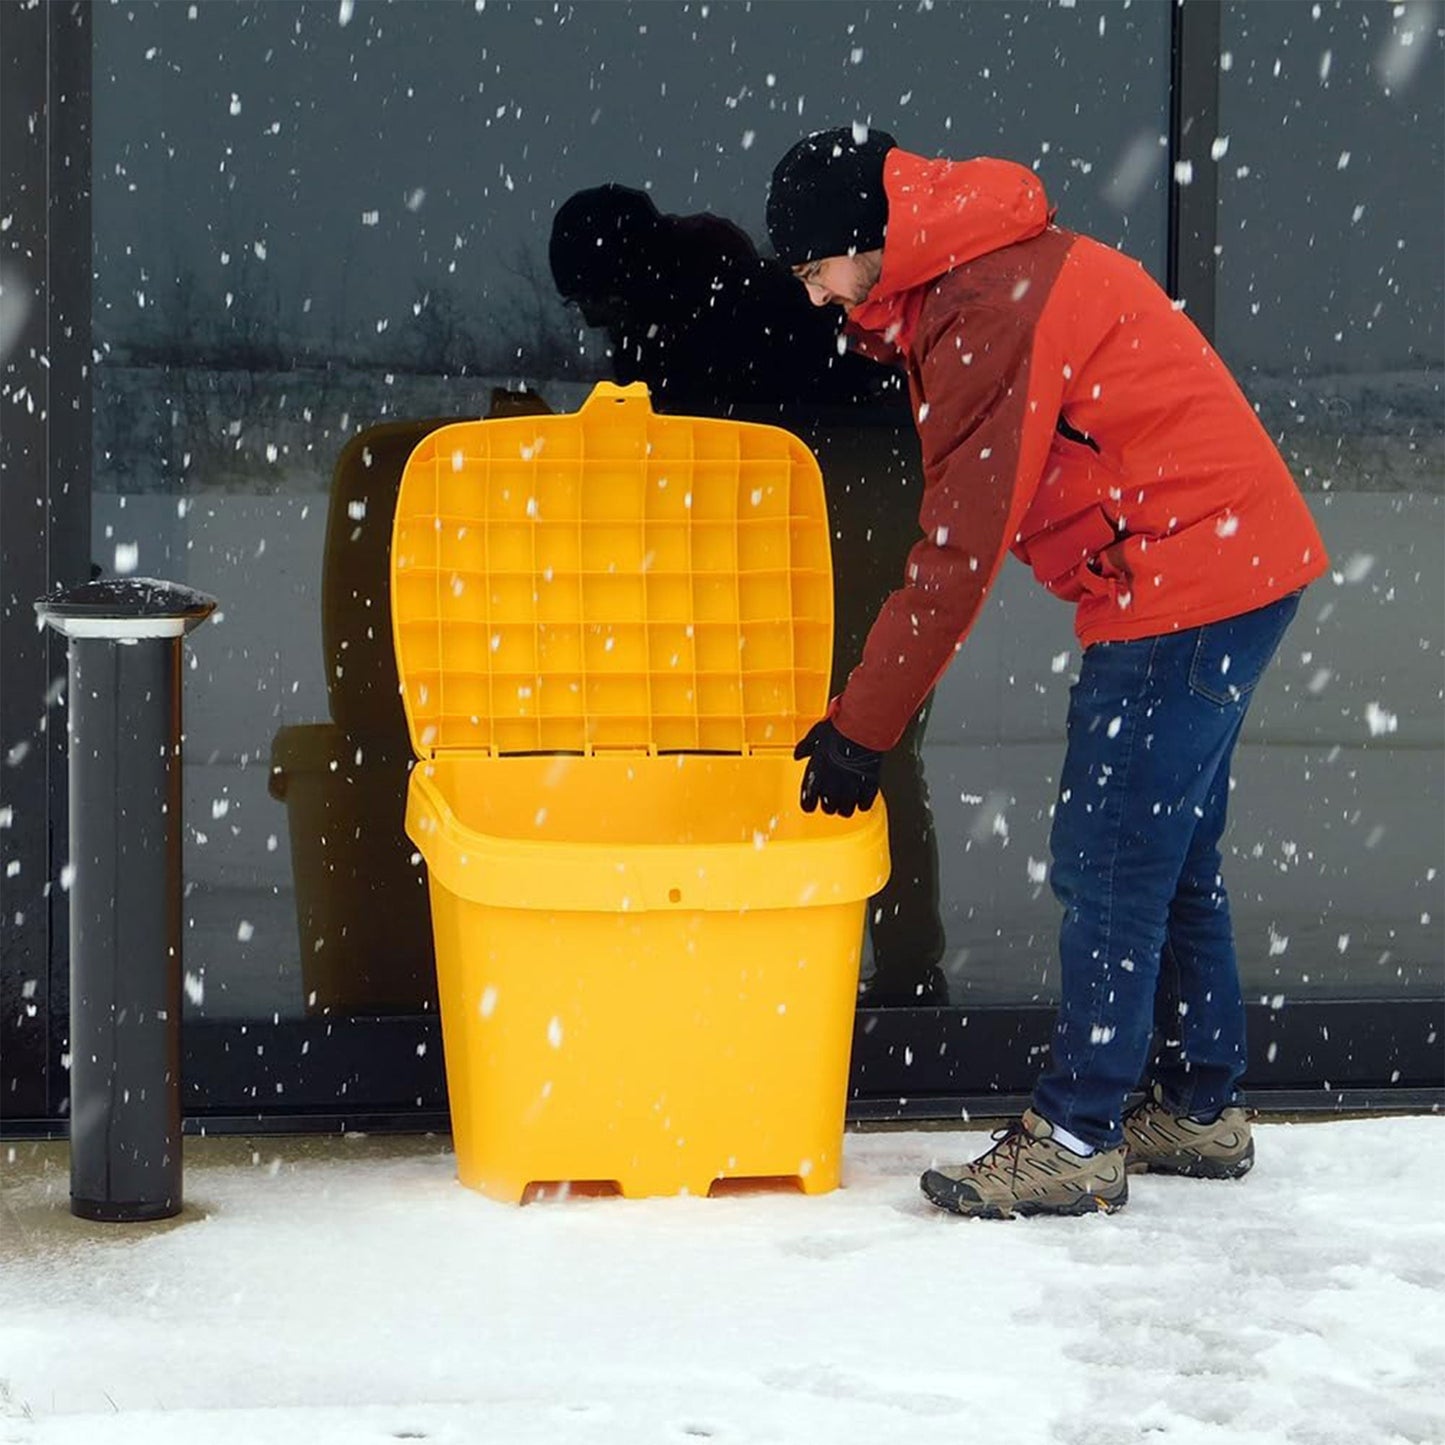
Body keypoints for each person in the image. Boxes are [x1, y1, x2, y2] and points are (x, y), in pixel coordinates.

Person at [768, 127, 1327, 1219]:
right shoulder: (970, 274)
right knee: (1167, 856)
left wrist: (859, 727)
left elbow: (955, 555)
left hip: (1183, 580)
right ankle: (1198, 1106)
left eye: (813, 271)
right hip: (1226, 561)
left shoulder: (987, 307)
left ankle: (1075, 1132)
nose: (815, 298)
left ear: (858, 242)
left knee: (1111, 854)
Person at [551, 183, 950, 1005]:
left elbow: (683, 454)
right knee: (860, 754)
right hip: (819, 553)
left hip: (824, 556)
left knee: (845, 747)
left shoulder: (704, 314)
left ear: (621, 273)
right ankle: (879, 966)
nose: (591, 320)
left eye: (592, 296)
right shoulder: (725, 293)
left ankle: (841, 970)